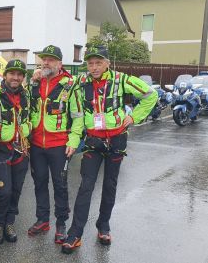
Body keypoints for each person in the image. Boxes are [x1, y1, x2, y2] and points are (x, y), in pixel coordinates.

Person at [61, 46, 158, 254]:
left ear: (107, 63)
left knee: (110, 185)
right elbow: (77, 115)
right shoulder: (80, 83)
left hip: (116, 141)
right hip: (93, 142)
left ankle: (103, 226)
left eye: (98, 62)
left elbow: (151, 95)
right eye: (90, 63)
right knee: (86, 186)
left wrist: (134, 117)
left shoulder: (122, 79)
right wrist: (72, 140)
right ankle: (75, 233)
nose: (94, 67)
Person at [27, 45, 84, 244]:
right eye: (44, 59)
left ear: (60, 63)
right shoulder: (35, 82)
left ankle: (61, 224)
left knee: (60, 185)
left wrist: (74, 140)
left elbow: (78, 116)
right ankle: (43, 220)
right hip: (36, 144)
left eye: (50, 59)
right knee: (39, 182)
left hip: (59, 145)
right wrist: (32, 80)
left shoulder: (70, 84)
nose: (46, 62)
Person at [0, 59, 32, 244]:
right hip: (1, 150)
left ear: (23, 77)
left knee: (15, 190)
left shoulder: (27, 94)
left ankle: (9, 223)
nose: (15, 77)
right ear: (5, 75)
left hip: (21, 150)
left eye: (19, 74)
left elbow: (31, 116)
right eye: (12, 73)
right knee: (3, 191)